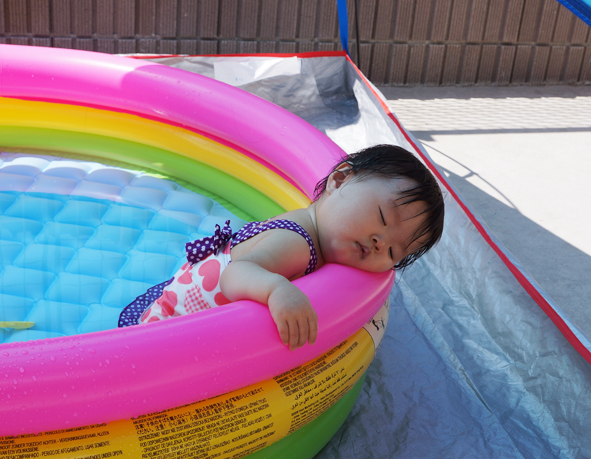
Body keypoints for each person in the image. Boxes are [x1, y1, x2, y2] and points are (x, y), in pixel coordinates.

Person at [119, 144, 444, 350]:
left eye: (393, 251)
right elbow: (236, 273)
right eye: (382, 217)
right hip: (167, 331)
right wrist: (277, 290)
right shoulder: (298, 242)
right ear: (339, 180)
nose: (379, 242)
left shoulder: (315, 226)